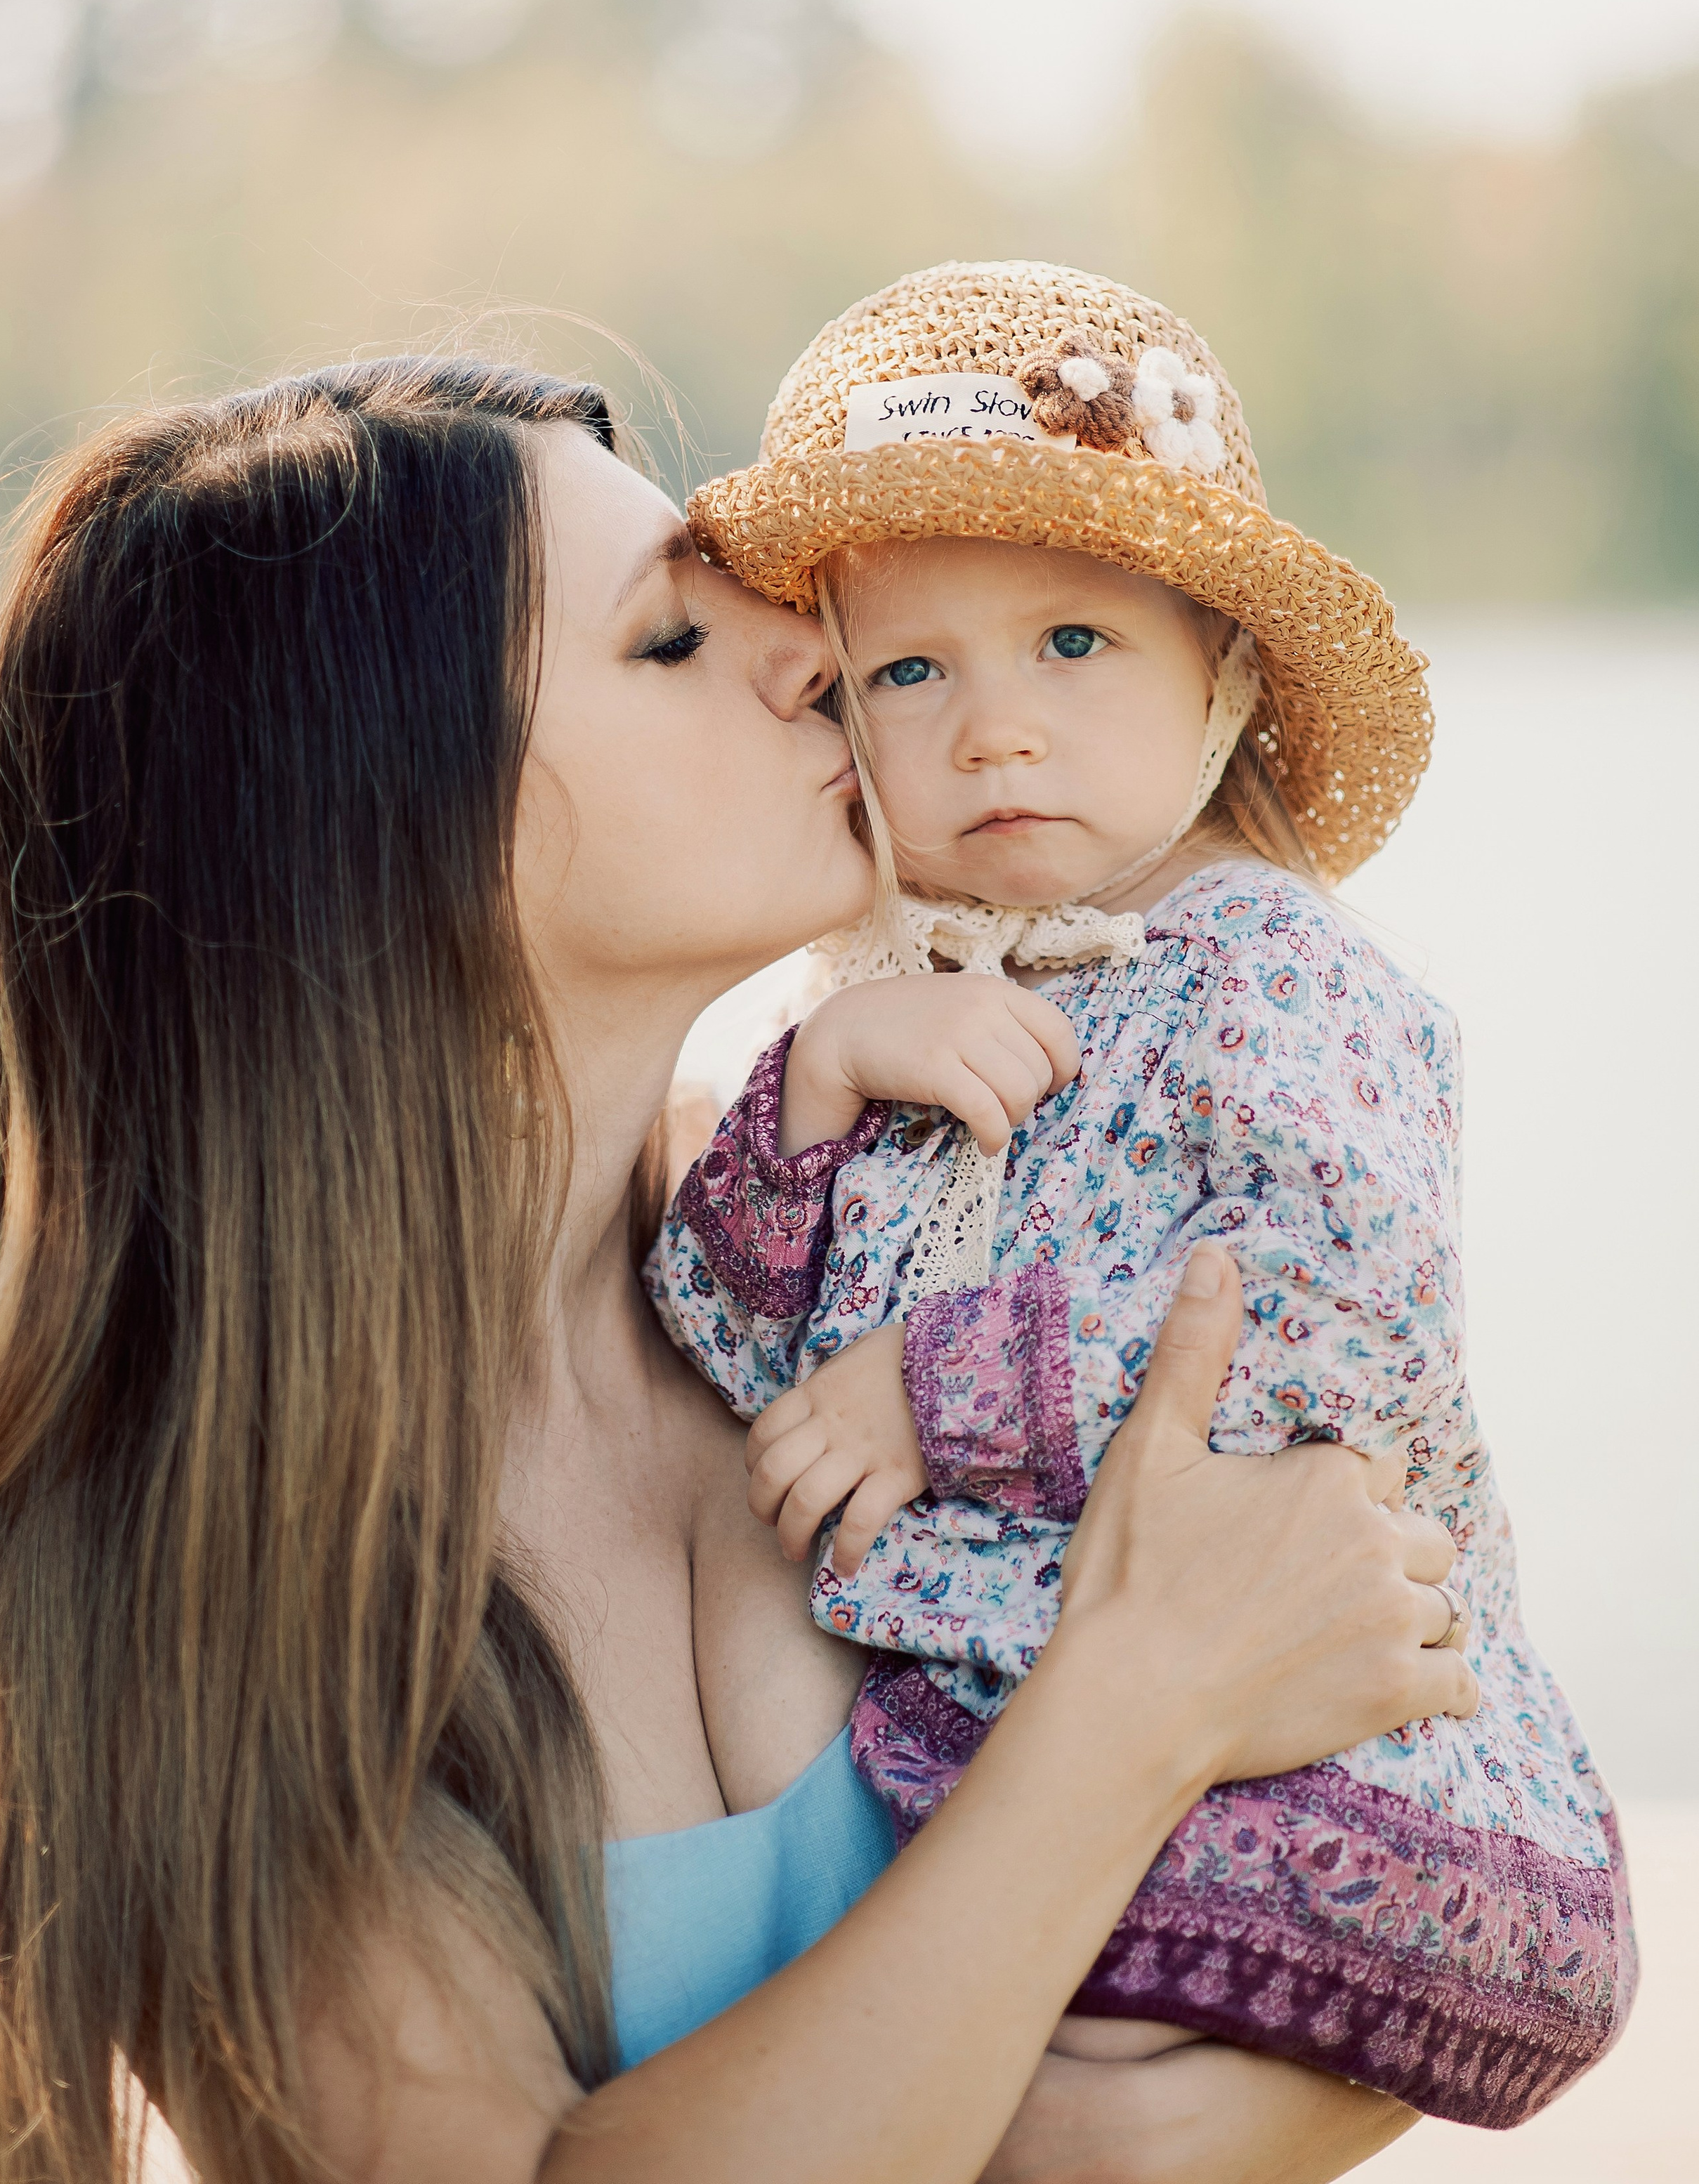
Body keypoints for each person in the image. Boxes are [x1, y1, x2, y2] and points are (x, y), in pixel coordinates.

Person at [0, 358, 1477, 2184]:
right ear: (371, 821)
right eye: (668, 641)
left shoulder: (877, 1225)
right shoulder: (181, 1561)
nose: (812, 655)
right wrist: (1143, 1705)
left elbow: (1382, 1783)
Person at [654, 263, 1634, 2130]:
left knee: (1078, 2080)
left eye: (1073, 646)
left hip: (1318, 1744)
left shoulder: (1270, 975)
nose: (992, 729)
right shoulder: (885, 999)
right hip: (1027, 1719)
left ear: (1224, 678)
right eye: (911, 673)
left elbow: (1333, 1322)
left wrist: (927, 1388)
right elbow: (715, 1331)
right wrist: (823, 1080)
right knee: (987, 2052)